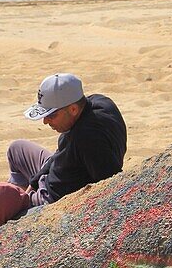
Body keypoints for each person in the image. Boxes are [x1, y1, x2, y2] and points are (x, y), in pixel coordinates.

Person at [8, 72, 127, 207]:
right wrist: (34, 182)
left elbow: (111, 182)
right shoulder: (100, 102)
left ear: (73, 109)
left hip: (51, 197)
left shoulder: (87, 138)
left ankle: (19, 202)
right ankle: (21, 194)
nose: (45, 121)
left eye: (51, 115)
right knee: (16, 149)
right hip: (57, 171)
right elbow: (60, 152)